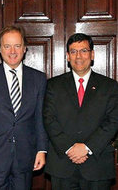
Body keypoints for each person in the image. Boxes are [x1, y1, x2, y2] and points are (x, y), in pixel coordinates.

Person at [0, 25, 48, 189]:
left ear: (24, 48)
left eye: (17, 45)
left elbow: (40, 118)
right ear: (0, 50)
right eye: (7, 46)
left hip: (25, 155)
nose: (12, 51)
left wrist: (42, 149)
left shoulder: (38, 79)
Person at [43, 33, 118, 189]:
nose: (79, 56)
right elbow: (49, 120)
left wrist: (86, 148)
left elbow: (113, 121)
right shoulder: (53, 86)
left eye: (84, 50)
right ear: (67, 56)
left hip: (97, 166)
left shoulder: (110, 87)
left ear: (92, 54)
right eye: (73, 51)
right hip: (62, 165)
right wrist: (70, 148)